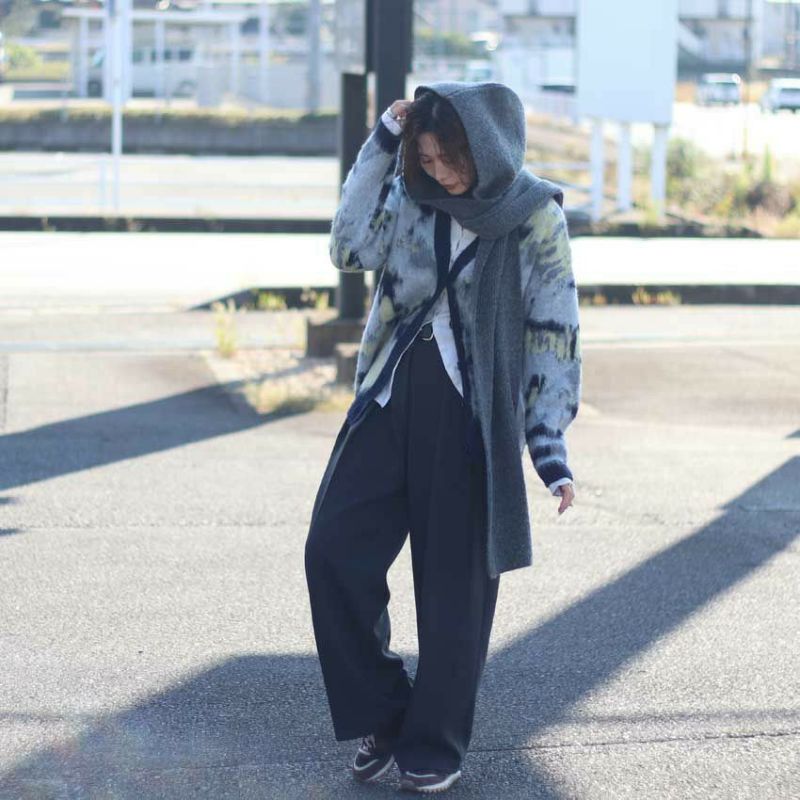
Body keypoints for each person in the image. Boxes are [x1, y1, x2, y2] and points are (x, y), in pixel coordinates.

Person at [305, 81, 581, 794]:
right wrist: (381, 146)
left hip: (470, 413)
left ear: (485, 148)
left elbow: (553, 328)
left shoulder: (533, 215)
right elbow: (347, 247)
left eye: (449, 158)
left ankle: (435, 742)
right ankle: (385, 711)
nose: (440, 172)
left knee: (454, 591)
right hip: (388, 396)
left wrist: (548, 443)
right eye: (426, 158)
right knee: (332, 552)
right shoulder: (411, 194)